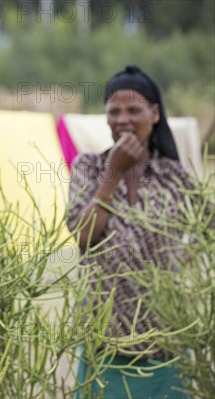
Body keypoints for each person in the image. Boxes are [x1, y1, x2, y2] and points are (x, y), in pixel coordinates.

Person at [67, 66, 192, 398]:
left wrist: (185, 256)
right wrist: (114, 173)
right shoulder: (88, 167)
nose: (123, 119)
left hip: (167, 340)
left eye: (134, 110)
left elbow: (205, 229)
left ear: (154, 114)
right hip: (107, 344)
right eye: (114, 111)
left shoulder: (174, 175)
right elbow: (83, 236)